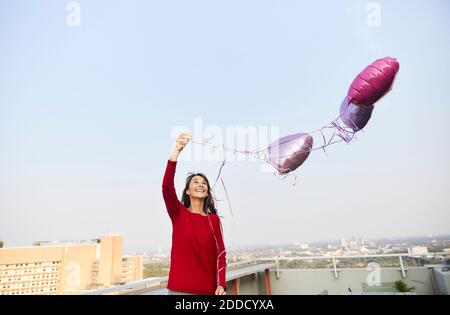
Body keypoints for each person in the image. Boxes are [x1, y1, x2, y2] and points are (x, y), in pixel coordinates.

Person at [162, 132, 227, 295]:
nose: (201, 184)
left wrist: (221, 285)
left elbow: (221, 256)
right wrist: (176, 151)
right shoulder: (178, 214)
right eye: (195, 182)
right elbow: (167, 187)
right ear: (188, 191)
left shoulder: (214, 220)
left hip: (207, 291)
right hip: (178, 290)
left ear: (207, 192)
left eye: (204, 183)